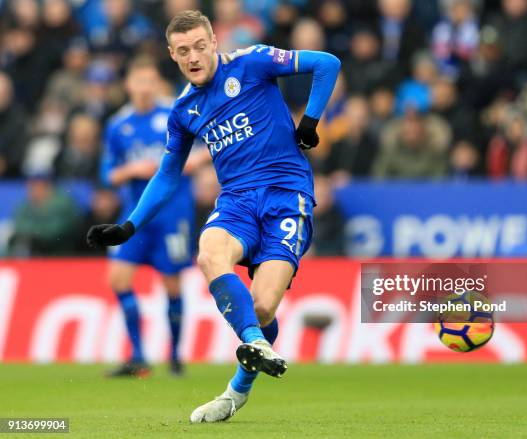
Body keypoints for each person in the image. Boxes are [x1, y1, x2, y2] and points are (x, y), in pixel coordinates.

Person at [87, 10, 340, 422]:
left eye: (200, 46)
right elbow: (167, 176)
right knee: (209, 252)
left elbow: (327, 64)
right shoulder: (184, 110)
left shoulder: (253, 62)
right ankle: (256, 343)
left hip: (285, 197)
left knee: (261, 309)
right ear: (173, 55)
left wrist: (309, 123)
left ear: (213, 43)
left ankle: (235, 391)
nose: (194, 56)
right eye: (183, 50)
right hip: (237, 201)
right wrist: (128, 225)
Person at [99, 56, 207, 377]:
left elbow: (206, 150)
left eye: (149, 81)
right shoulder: (118, 125)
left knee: (171, 284)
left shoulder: (176, 113)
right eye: (138, 81)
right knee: (118, 279)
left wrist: (175, 166)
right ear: (128, 85)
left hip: (173, 214)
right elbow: (108, 174)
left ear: (156, 84)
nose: (144, 88)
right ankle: (139, 356)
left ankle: (175, 356)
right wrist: (132, 169)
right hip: (133, 216)